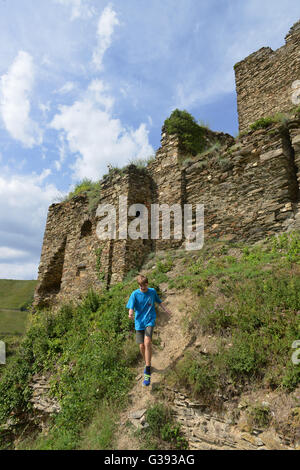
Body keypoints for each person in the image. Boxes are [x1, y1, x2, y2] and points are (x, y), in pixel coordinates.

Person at [126, 274, 172, 387]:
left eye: (143, 286)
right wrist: (130, 313)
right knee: (141, 346)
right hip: (139, 322)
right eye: (140, 286)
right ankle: (147, 362)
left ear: (147, 284)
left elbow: (158, 301)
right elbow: (131, 307)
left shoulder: (152, 291)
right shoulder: (135, 294)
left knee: (147, 342)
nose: (142, 288)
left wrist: (165, 309)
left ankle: (147, 369)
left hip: (149, 320)